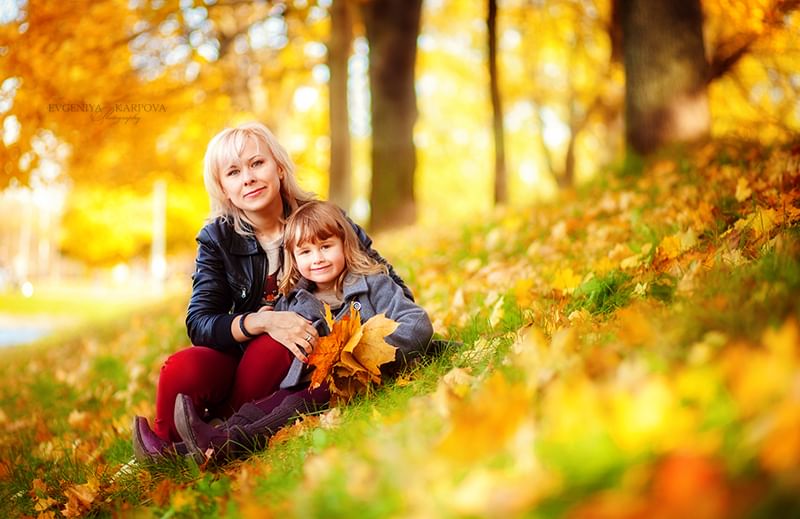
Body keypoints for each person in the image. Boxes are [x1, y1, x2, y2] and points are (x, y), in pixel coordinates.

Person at [132, 122, 411, 462]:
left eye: (256, 163)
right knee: (181, 367)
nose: (247, 177)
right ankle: (163, 449)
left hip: (290, 365)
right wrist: (258, 322)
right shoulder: (216, 239)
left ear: (279, 168)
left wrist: (387, 336)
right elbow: (200, 323)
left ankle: (217, 435)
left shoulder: (322, 220)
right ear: (224, 188)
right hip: (234, 359)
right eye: (233, 172)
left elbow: (383, 279)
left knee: (280, 340)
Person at [172, 200, 434, 464]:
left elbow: (417, 322)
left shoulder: (374, 285)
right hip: (299, 382)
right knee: (265, 405)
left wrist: (365, 352)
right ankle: (191, 446)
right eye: (306, 252)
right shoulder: (295, 300)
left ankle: (226, 445)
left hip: (345, 385)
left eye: (326, 247)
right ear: (294, 259)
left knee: (296, 404)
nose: (317, 258)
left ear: (345, 244)